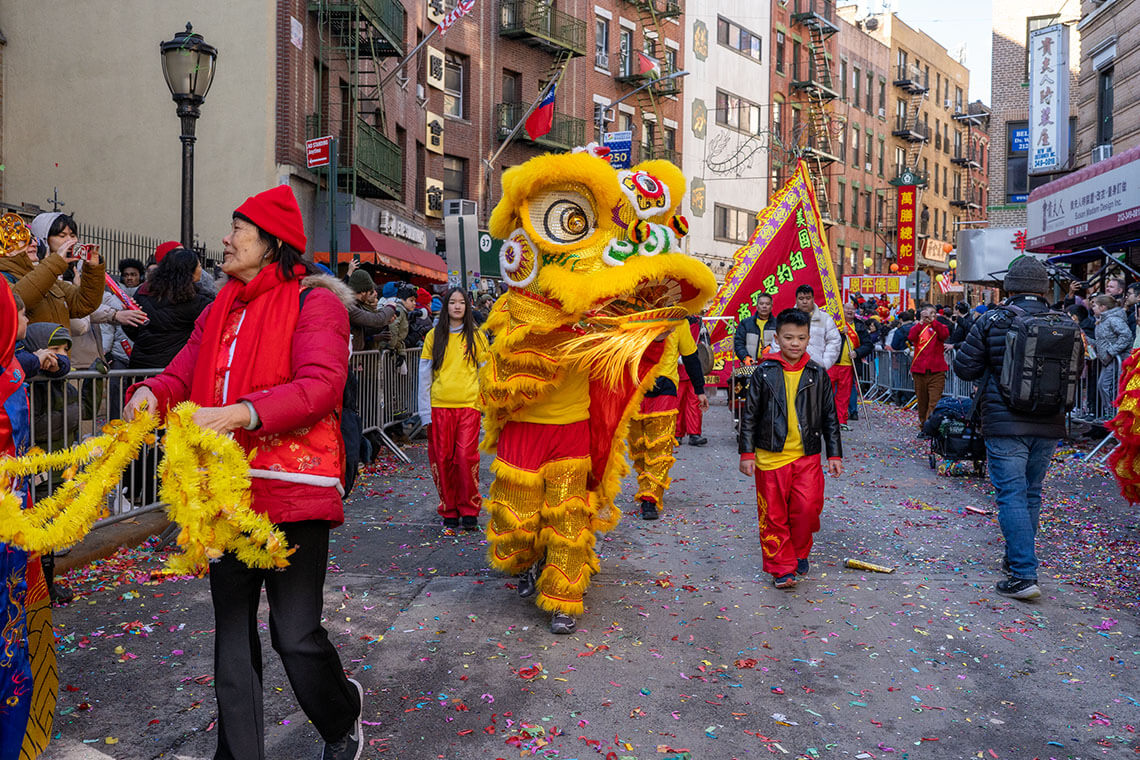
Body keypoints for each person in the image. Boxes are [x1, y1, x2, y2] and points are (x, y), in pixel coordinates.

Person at [123, 186, 364, 760]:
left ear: (272, 243)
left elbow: (321, 385)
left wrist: (241, 411)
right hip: (225, 493)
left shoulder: (316, 304)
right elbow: (181, 372)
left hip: (292, 492)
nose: (226, 239)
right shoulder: (219, 307)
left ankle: (342, 718)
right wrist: (150, 394)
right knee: (233, 631)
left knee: (295, 635)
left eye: (238, 229)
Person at [952, 256, 1064, 600]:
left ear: (1009, 287)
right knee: (1031, 492)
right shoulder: (1063, 320)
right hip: (1049, 423)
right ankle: (1018, 559)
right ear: (1044, 288)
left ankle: (1023, 573)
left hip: (1004, 423)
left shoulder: (992, 320)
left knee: (1011, 494)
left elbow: (964, 368)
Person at [738, 308, 843, 589]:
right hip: (770, 457)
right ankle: (782, 568)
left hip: (806, 456)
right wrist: (746, 453)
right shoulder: (763, 372)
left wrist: (834, 454)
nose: (794, 344)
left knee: (807, 509)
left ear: (809, 338)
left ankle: (798, 552)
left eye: (801, 337)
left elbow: (830, 416)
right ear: (777, 338)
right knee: (773, 515)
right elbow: (749, 415)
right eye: (788, 338)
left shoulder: (817, 374)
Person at [0, 283, 58, 760]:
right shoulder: (6, 381)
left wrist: (41, 360)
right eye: (15, 312)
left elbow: (25, 362)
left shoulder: (13, 369)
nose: (22, 322)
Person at [417, 287, 489, 531]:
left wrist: (485, 405)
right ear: (445, 306)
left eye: (462, 303)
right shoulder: (433, 337)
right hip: (439, 407)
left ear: (468, 307)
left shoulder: (476, 337)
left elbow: (485, 372)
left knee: (465, 458)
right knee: (443, 459)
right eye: (452, 302)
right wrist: (425, 411)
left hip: (468, 406)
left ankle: (469, 509)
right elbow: (424, 376)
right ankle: (449, 509)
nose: (457, 307)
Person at [628, 323, 709, 520]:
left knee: (660, 445)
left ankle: (650, 498)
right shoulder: (636, 318)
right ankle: (646, 484)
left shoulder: (679, 322)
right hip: (635, 389)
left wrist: (699, 390)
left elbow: (691, 358)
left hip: (665, 388)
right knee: (639, 447)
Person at [0, 212, 106, 327]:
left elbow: (83, 304)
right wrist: (55, 262)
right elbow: (16, 302)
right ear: (5, 248)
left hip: (61, 345)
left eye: (34, 239)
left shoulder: (47, 276)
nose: (35, 243)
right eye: (26, 240)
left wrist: (92, 269)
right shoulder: (4, 278)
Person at [124, 247, 215, 369]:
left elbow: (133, 329)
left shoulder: (143, 292)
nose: (201, 270)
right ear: (189, 271)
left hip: (139, 366)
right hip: (172, 371)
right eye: (199, 266)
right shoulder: (196, 302)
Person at [908, 304, 950, 434]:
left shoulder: (940, 326)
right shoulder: (918, 327)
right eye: (927, 313)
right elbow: (911, 337)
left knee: (934, 402)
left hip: (936, 371)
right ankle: (923, 425)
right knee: (922, 402)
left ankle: (929, 428)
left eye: (932, 313)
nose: (929, 316)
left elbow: (944, 335)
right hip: (919, 371)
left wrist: (933, 322)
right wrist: (921, 323)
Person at [777, 284, 841, 370]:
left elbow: (834, 341)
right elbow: (778, 341)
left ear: (813, 299)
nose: (804, 302)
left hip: (816, 366)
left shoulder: (825, 318)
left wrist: (825, 363)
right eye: (801, 299)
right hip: (789, 367)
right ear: (796, 300)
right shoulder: (787, 317)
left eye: (808, 298)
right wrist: (780, 364)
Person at [1091, 293, 1131, 417]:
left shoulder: (1114, 319)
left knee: (1106, 385)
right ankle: (1109, 412)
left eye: (1095, 305)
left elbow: (1126, 336)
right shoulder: (1102, 321)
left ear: (1103, 307)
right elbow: (1101, 341)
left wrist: (1111, 351)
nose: (1093, 308)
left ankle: (1113, 414)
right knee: (1103, 385)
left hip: (1116, 359)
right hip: (1108, 360)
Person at [675, 315, 708, 446]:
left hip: (694, 367)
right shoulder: (674, 319)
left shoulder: (698, 322)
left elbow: (705, 344)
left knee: (695, 402)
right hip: (677, 368)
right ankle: (676, 434)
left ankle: (695, 433)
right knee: (677, 402)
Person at [345, 268, 396, 351]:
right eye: (370, 291)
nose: (373, 294)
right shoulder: (349, 307)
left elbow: (366, 328)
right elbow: (377, 319)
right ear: (363, 292)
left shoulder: (356, 305)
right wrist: (391, 306)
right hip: (349, 359)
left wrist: (386, 322)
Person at [827, 302, 860, 428]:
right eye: (847, 308)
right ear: (842, 310)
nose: (849, 311)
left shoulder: (860, 326)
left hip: (848, 366)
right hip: (832, 363)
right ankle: (827, 419)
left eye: (852, 309)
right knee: (827, 393)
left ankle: (841, 420)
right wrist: (839, 331)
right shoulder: (832, 323)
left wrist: (857, 352)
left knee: (844, 395)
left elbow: (867, 344)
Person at [734, 292, 776, 363]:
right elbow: (738, 343)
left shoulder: (778, 324)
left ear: (771, 307)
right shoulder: (746, 323)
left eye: (767, 304)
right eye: (761, 304)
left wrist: (772, 348)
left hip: (772, 364)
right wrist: (745, 357)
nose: (764, 306)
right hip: (750, 364)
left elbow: (782, 344)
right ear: (757, 306)